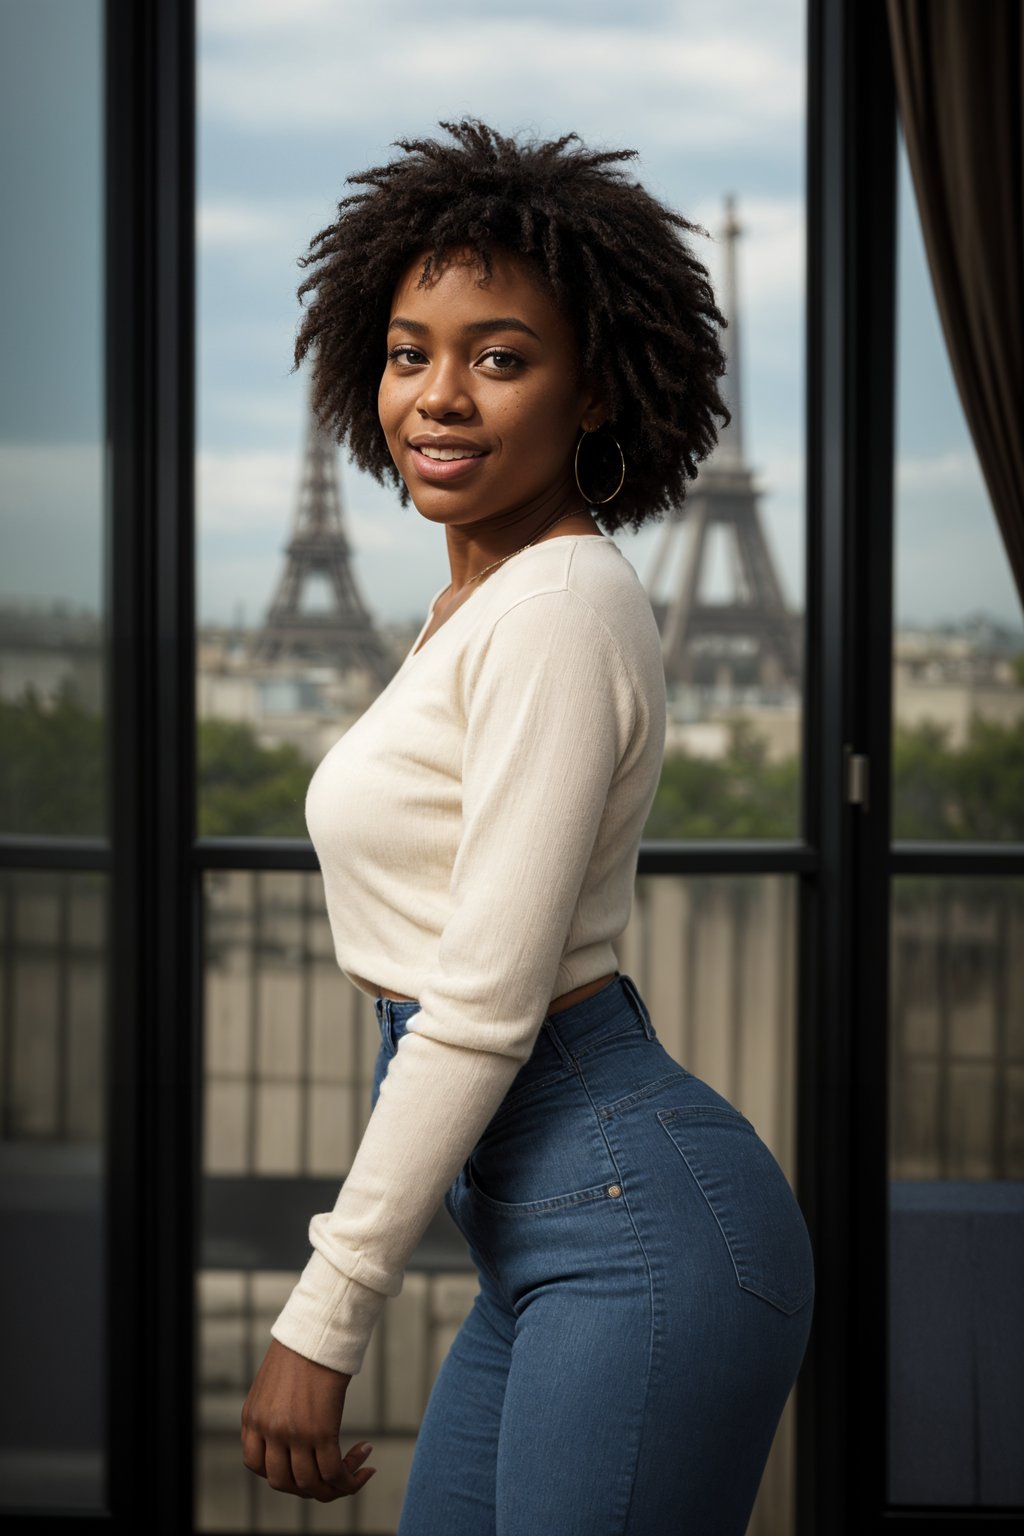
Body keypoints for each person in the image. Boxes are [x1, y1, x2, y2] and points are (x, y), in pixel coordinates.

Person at [240, 119, 815, 1535]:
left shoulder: (563, 606)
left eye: (500, 357)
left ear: (598, 392)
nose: (440, 395)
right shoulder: (481, 608)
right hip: (548, 1231)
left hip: (631, 1222)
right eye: (408, 350)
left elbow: (485, 1002)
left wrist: (323, 1315)